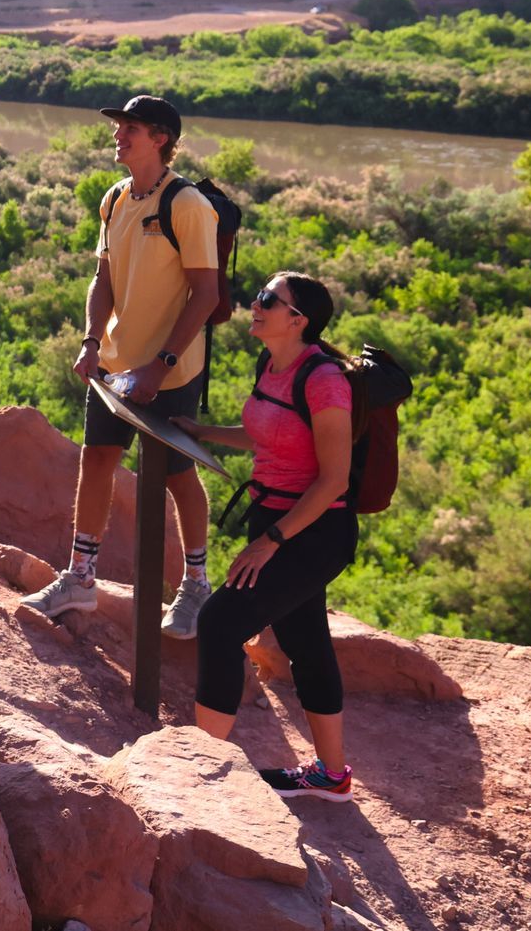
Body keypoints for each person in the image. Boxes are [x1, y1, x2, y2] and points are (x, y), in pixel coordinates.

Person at [19, 95, 221, 637]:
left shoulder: (187, 204)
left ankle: (197, 587)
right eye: (118, 127)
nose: (118, 135)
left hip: (170, 372)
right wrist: (90, 340)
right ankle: (80, 577)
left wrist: (163, 364)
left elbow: (206, 295)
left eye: (130, 128)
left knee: (178, 475)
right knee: (98, 459)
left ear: (160, 138)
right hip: (115, 363)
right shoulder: (114, 199)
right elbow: (103, 279)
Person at [174, 272, 358, 801]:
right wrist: (203, 432)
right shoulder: (272, 365)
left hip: (313, 531)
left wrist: (271, 540)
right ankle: (331, 777)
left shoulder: (324, 381)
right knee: (305, 641)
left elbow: (333, 479)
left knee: (219, 622)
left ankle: (203, 772)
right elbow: (265, 434)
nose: (253, 305)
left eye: (267, 300)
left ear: (297, 320)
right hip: (274, 519)